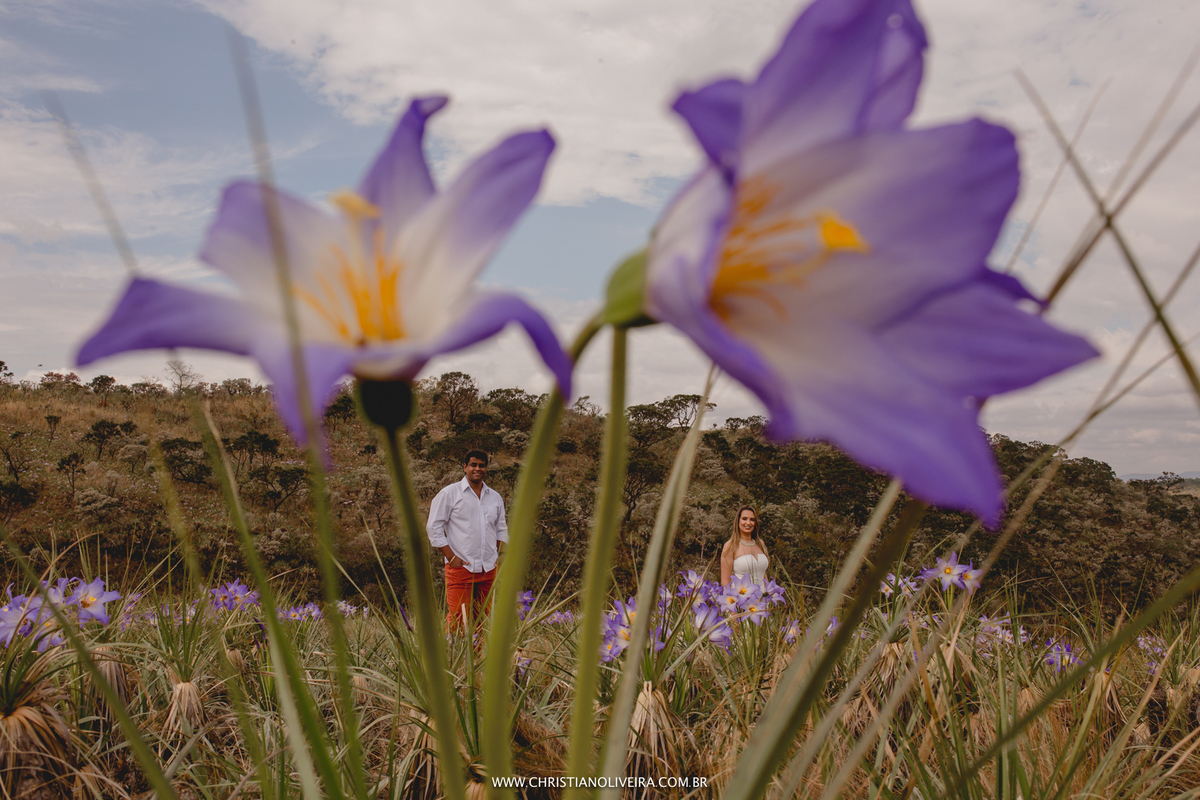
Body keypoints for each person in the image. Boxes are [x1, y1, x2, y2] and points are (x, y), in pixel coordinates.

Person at [426, 449, 507, 631]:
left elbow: (501, 528)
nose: (477, 469)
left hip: (489, 568)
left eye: (481, 465)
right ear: (465, 467)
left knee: (484, 620)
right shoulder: (449, 494)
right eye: (473, 465)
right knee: (458, 620)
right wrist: (452, 558)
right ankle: (454, 658)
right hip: (462, 568)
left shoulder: (494, 497)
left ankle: (479, 658)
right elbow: (433, 527)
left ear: (486, 468)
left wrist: (501, 555)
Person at [720, 506, 768, 586]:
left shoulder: (760, 544)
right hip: (741, 596)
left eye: (752, 519)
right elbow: (725, 582)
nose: (748, 523)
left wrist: (769, 595)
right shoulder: (730, 546)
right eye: (744, 519)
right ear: (738, 521)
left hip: (761, 597)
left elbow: (763, 574)